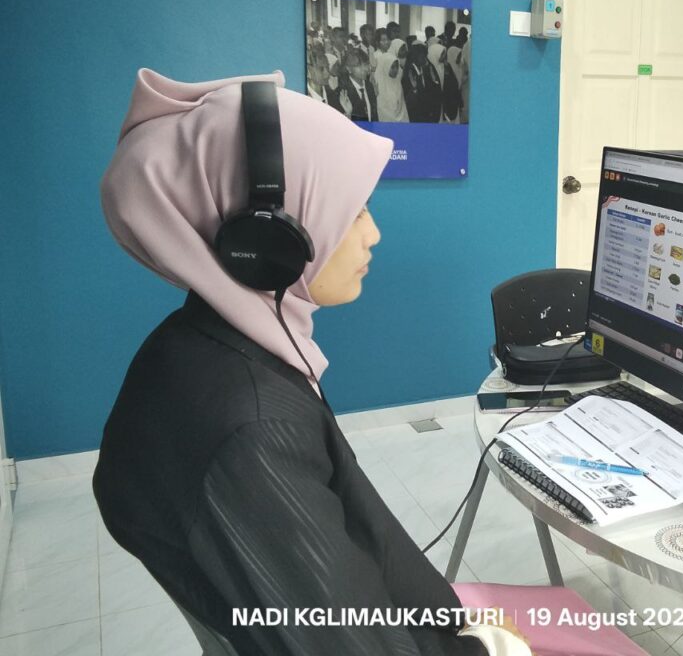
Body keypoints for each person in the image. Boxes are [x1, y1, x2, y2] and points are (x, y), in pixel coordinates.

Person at [94, 68, 531, 655]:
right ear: (264, 239)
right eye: (353, 211)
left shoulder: (198, 344)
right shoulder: (252, 429)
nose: (373, 235)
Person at [338, 48, 379, 122]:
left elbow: (374, 116)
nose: (365, 69)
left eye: (366, 64)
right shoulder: (342, 93)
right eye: (359, 65)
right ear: (348, 68)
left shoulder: (369, 86)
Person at [374, 39, 409, 123]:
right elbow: (382, 110)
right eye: (392, 67)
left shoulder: (397, 82)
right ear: (385, 68)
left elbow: (402, 106)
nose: (395, 70)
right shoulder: (379, 86)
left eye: (397, 67)